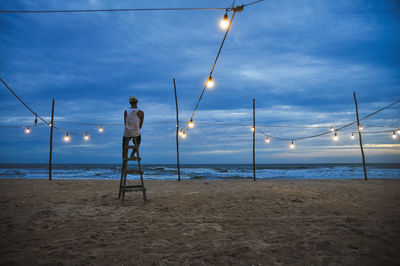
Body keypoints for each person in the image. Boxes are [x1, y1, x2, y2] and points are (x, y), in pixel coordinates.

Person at [123, 96, 144, 160]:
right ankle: (132, 154)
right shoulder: (141, 112)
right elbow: (140, 126)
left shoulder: (126, 111)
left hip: (127, 132)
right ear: (137, 102)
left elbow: (125, 123)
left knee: (124, 143)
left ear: (130, 103)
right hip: (136, 132)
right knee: (138, 143)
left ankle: (124, 155)